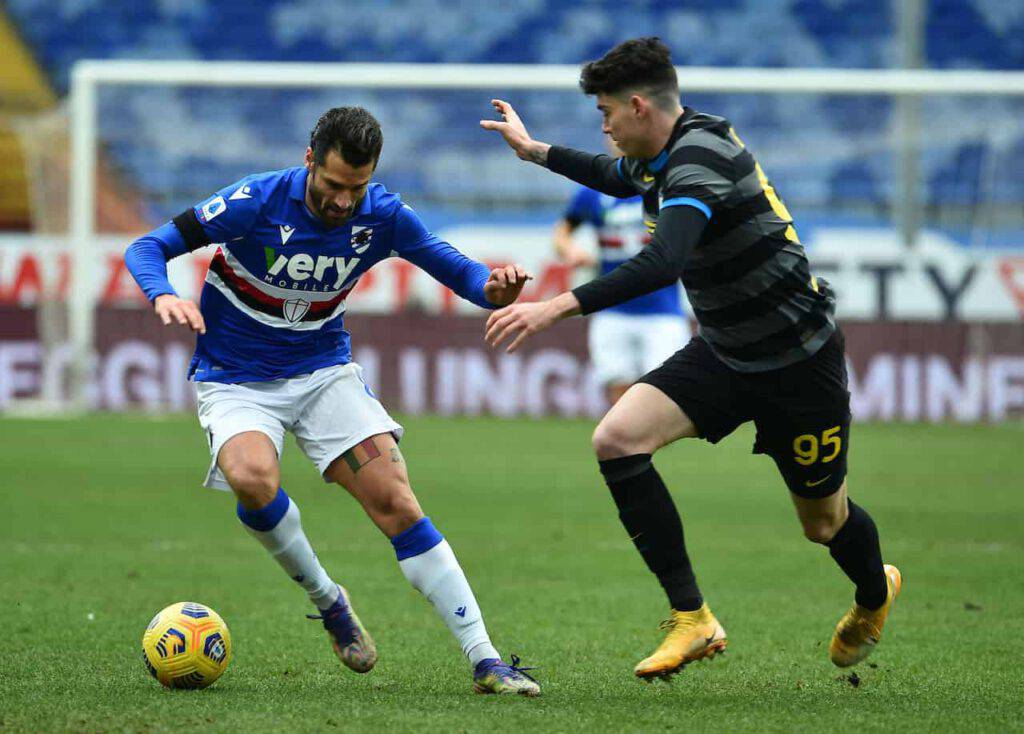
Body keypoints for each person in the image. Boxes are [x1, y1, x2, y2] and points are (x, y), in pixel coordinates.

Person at [481, 37, 900, 680]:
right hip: (727, 353)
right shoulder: (665, 152)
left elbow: (665, 261)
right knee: (617, 439)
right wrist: (534, 150)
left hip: (798, 364)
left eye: (606, 112)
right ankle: (692, 618)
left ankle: (874, 595)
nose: (604, 125)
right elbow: (608, 174)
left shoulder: (699, 157)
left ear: (640, 106)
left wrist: (554, 307)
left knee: (824, 523)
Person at [125, 106, 540, 696]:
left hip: (322, 372)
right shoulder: (255, 201)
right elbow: (147, 246)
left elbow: (460, 271)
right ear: (309, 161)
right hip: (236, 376)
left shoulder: (383, 215)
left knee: (396, 501)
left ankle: (487, 660)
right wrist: (163, 293)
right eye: (333, 185)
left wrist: (492, 288)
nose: (345, 201)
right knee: (251, 478)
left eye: (357, 187)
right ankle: (329, 601)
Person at [554, 136, 689, 405]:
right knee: (619, 394)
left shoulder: (667, 184)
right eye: (608, 132)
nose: (615, 136)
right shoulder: (593, 192)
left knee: (664, 396)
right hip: (612, 311)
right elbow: (562, 232)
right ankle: (627, 447)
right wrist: (570, 250)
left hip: (663, 311)